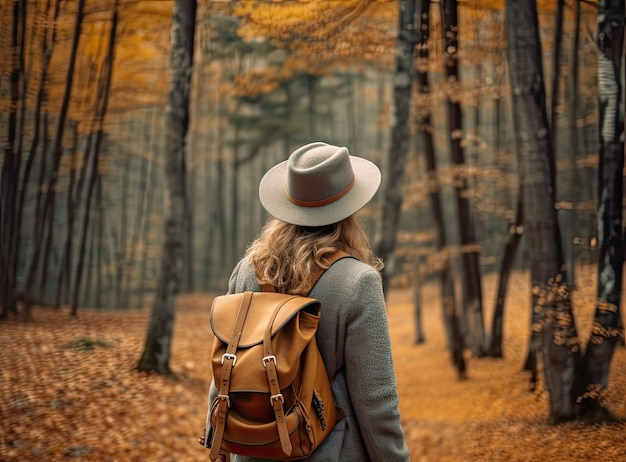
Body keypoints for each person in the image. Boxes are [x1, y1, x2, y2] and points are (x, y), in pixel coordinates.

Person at [210, 142, 410, 461]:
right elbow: (376, 400)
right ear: (350, 208)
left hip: (252, 449)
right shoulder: (359, 282)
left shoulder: (249, 270)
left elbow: (226, 363)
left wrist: (217, 439)